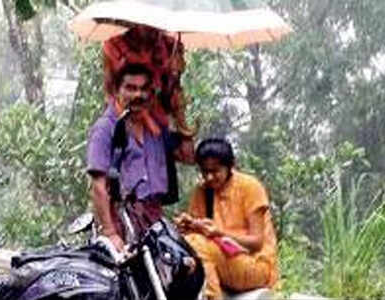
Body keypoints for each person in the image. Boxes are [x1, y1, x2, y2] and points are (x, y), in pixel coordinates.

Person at [86, 62, 194, 252]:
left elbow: (187, 156)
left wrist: (180, 114)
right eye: (131, 88)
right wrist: (111, 233)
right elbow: (98, 186)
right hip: (120, 219)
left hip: (153, 217)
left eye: (144, 89)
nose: (138, 95)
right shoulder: (106, 128)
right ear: (117, 89)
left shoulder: (156, 128)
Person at [176, 138, 278, 300]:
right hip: (222, 262)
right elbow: (197, 236)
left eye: (215, 171)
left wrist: (219, 233)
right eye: (204, 171)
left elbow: (257, 242)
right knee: (186, 244)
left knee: (197, 244)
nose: (209, 177)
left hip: (256, 265)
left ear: (230, 166)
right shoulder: (202, 191)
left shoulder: (250, 187)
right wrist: (188, 225)